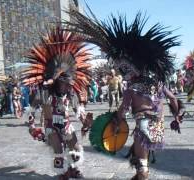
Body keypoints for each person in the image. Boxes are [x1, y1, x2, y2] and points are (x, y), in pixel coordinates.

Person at [66, 8, 183, 180]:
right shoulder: (159, 83)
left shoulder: (131, 88)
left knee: (142, 166)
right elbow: (173, 99)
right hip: (158, 125)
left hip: (143, 124)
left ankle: (141, 173)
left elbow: (123, 110)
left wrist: (114, 121)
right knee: (141, 159)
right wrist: (177, 116)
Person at [21, 27, 92, 179]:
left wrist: (85, 121)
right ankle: (62, 173)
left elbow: (78, 110)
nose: (68, 86)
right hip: (51, 127)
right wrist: (32, 126)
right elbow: (31, 110)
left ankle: (73, 168)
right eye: (66, 84)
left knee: (76, 148)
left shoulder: (70, 94)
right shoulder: (45, 93)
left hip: (66, 125)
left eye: (70, 84)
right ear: (58, 82)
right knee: (58, 150)